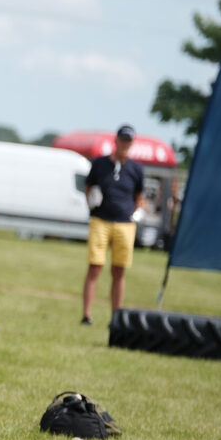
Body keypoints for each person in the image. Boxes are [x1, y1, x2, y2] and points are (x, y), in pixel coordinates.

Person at [81, 124, 145, 325]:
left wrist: (135, 213)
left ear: (132, 143)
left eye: (129, 141)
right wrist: (91, 203)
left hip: (125, 224)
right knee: (95, 268)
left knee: (119, 271)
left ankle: (115, 317)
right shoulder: (100, 164)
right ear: (115, 141)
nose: (125, 144)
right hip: (101, 220)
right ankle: (86, 315)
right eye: (122, 140)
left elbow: (139, 197)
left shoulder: (136, 169)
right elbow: (88, 188)